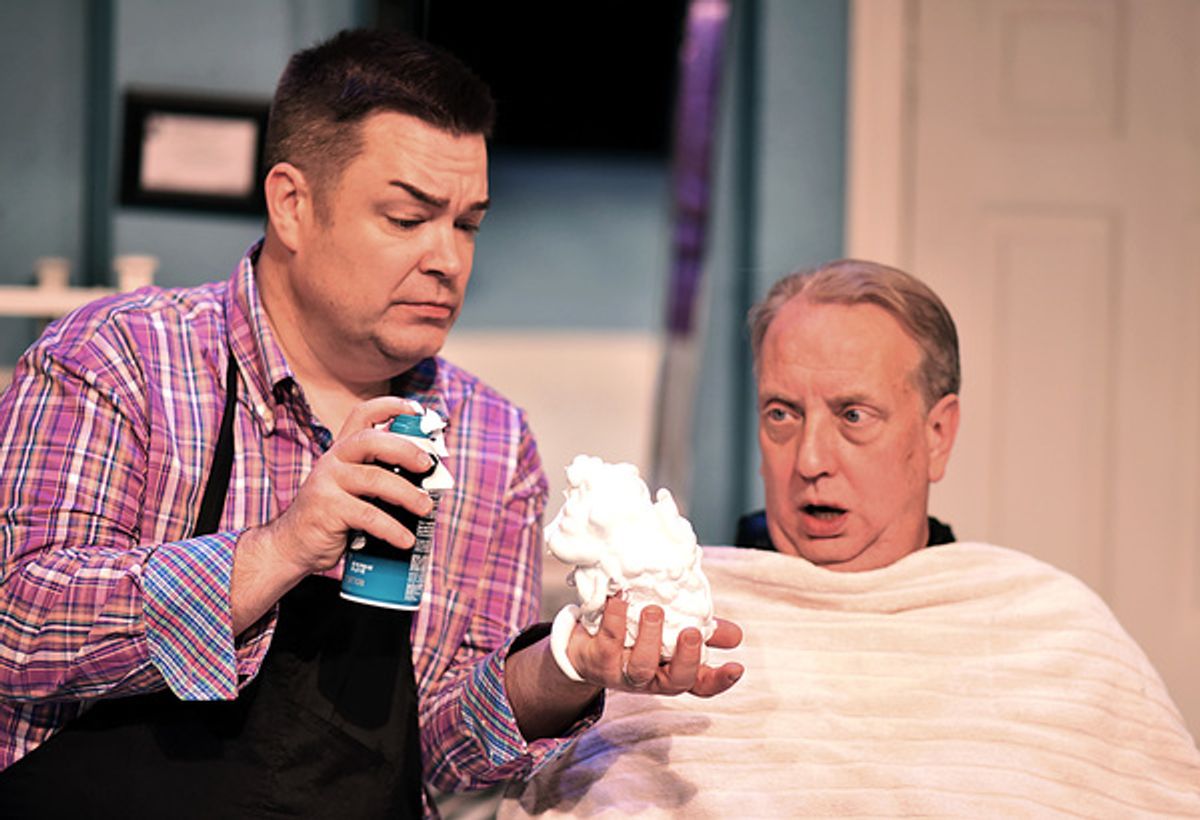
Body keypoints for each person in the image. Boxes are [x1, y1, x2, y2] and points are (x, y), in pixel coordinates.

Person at [0, 29, 741, 818]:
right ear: (293, 204)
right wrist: (280, 548)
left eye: (467, 225)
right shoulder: (121, 359)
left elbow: (445, 743)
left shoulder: (489, 438)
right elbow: (18, 632)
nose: (447, 259)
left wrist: (570, 661)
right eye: (405, 217)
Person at [499, 259, 1200, 817]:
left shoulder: (1055, 626)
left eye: (853, 415)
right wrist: (567, 661)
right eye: (782, 414)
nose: (809, 460)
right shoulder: (661, 627)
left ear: (937, 433)